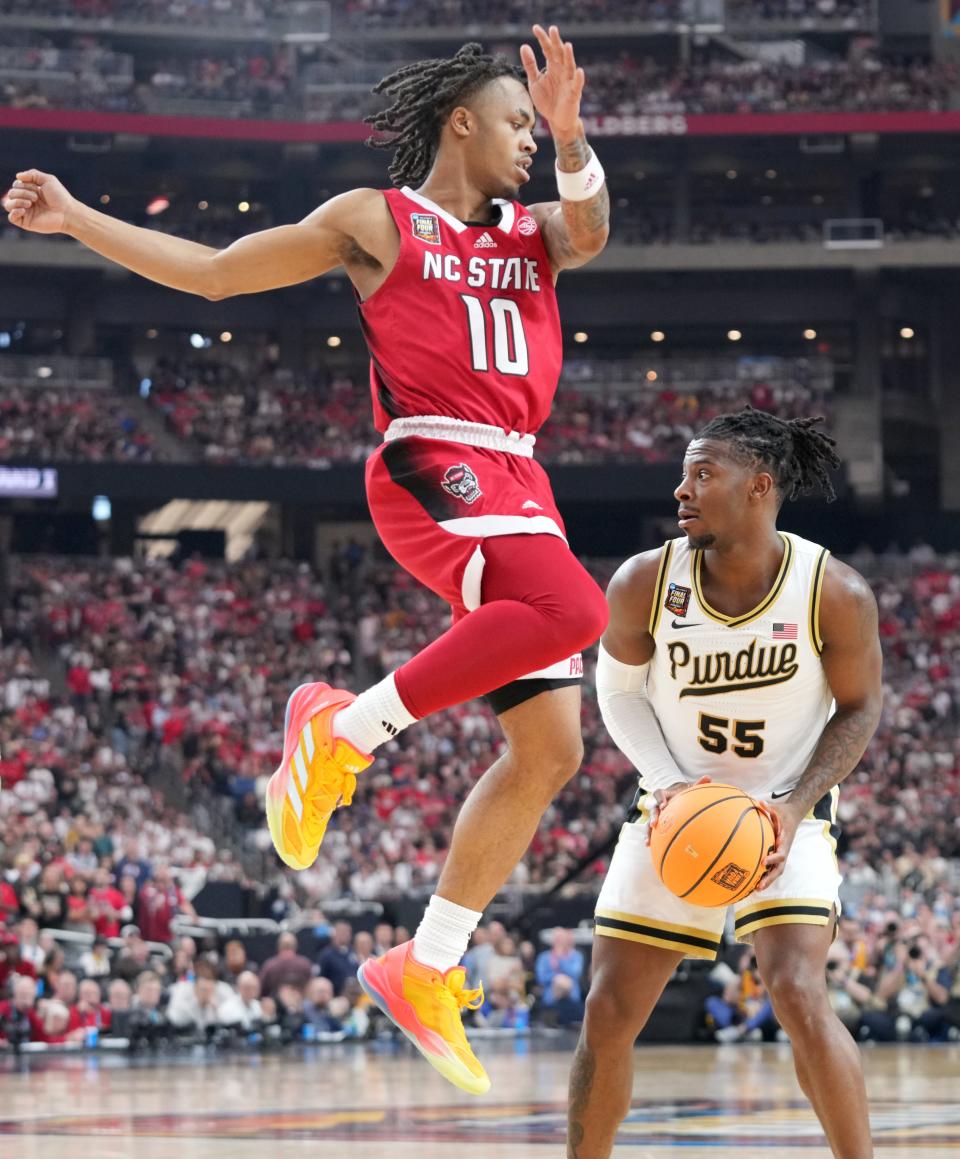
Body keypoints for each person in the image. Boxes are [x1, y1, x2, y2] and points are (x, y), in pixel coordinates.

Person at [4, 23, 609, 1096]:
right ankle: (342, 726)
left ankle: (424, 965)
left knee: (551, 748)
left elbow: (595, 229)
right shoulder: (377, 220)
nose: (530, 141)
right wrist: (76, 219)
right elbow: (219, 275)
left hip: (522, 475)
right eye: (517, 122)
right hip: (435, 457)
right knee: (574, 607)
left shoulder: (533, 227)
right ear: (460, 122)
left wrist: (571, 138)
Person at [568, 409, 883, 1159]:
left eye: (703, 473)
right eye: (684, 472)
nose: (682, 489)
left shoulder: (833, 590)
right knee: (607, 1010)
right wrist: (669, 782)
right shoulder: (645, 580)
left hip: (787, 812)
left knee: (798, 992)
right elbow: (618, 693)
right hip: (676, 804)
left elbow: (862, 705)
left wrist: (795, 804)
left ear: (759, 486)